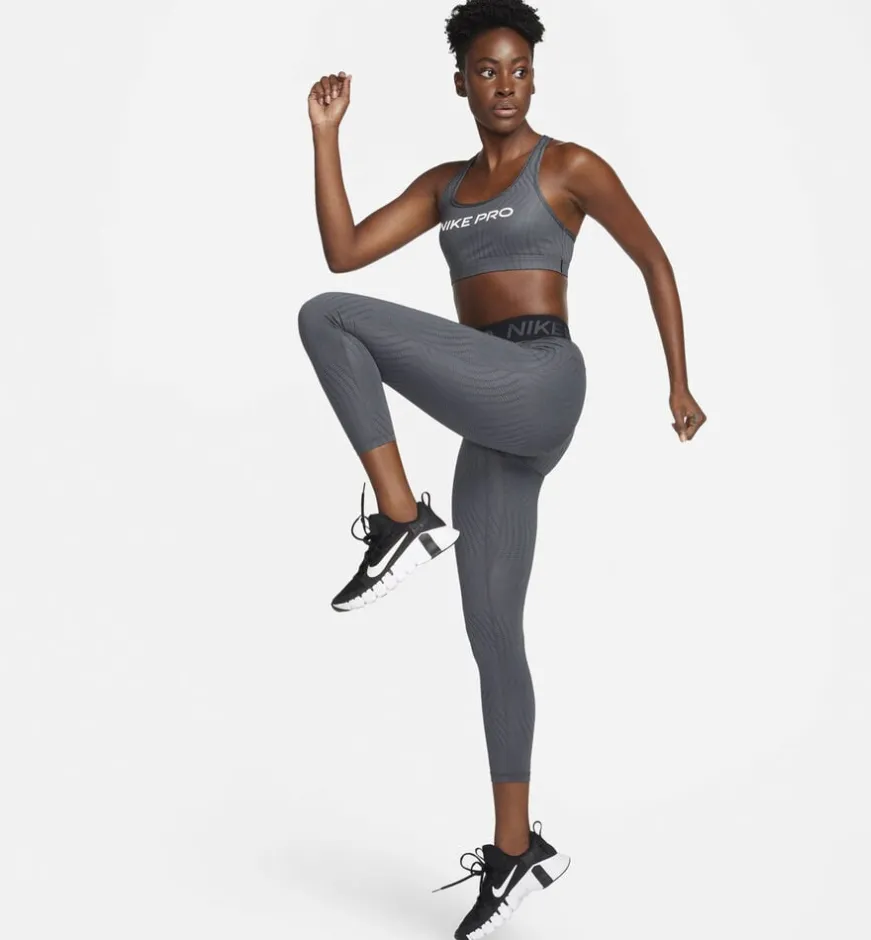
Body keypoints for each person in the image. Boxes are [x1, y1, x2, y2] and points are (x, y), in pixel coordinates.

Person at [298, 1, 706, 936]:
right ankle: (516, 847)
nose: (507, 85)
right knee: (492, 634)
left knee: (327, 317)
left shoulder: (568, 166)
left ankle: (402, 517)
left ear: (534, 77)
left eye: (519, 68)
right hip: (490, 413)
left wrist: (678, 382)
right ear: (461, 83)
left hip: (542, 379)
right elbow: (345, 249)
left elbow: (654, 260)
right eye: (488, 71)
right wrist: (326, 137)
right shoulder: (444, 187)